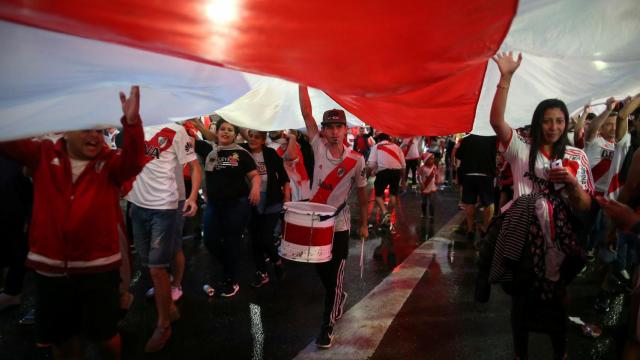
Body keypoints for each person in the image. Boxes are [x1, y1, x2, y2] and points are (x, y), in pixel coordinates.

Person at [0, 86, 145, 359]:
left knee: (105, 337)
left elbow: (135, 161)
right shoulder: (42, 155)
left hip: (99, 268)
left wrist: (132, 123)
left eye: (98, 130)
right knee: (62, 339)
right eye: (84, 128)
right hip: (49, 270)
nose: (93, 135)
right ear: (65, 130)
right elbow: (6, 139)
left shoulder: (111, 162)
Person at [489, 52, 594, 360]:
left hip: (560, 247)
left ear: (566, 123)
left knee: (557, 304)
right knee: (520, 305)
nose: (553, 127)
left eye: (559, 121)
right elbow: (497, 121)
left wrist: (572, 184)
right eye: (547, 121)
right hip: (522, 244)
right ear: (537, 123)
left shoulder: (577, 157)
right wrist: (505, 78)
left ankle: (559, 353)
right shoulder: (521, 150)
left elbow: (586, 206)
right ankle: (520, 354)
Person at [299, 85, 368, 349]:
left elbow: (362, 195)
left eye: (339, 127)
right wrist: (300, 80)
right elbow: (307, 113)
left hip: (339, 226)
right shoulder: (318, 146)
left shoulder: (356, 160)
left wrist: (363, 223)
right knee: (321, 271)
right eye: (330, 127)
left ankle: (327, 326)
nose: (334, 132)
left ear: (346, 130)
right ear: (324, 131)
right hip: (317, 224)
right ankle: (338, 294)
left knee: (334, 276)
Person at [124, 118, 202, 352]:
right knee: (148, 262)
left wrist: (192, 197)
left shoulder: (176, 131)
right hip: (137, 206)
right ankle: (168, 306)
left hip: (166, 207)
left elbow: (195, 166)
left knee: (158, 267)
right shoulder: (132, 130)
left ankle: (163, 324)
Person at [194, 117, 261, 298]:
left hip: (237, 205)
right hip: (214, 205)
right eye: (222, 129)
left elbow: (255, 175)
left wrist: (255, 188)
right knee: (209, 240)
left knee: (232, 241)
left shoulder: (242, 153)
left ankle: (232, 280)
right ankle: (228, 264)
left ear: (235, 135)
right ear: (217, 132)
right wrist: (194, 122)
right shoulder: (208, 150)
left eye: (230, 130)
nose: (225, 132)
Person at [241, 130, 290, 287]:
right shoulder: (242, 152)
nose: (253, 139)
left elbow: (283, 177)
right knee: (254, 239)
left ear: (263, 140)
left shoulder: (270, 153)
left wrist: (287, 197)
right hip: (251, 202)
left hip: (272, 201)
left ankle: (276, 262)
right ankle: (262, 273)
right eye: (251, 136)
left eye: (257, 137)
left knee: (265, 238)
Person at [0, 158, 32, 312]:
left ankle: (13, 292)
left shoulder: (15, 160)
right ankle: (11, 291)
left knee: (18, 252)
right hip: (13, 214)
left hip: (17, 218)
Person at [455, 134, 498, 241]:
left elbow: (458, 155)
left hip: (469, 174)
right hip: (486, 174)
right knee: (488, 202)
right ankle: (486, 228)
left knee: (470, 202)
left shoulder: (466, 139)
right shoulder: (492, 137)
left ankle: (470, 230)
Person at [367, 132, 405, 225]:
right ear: (389, 139)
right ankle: (389, 216)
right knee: (393, 194)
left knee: (378, 195)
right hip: (397, 172)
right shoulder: (397, 147)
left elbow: (371, 164)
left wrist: (366, 176)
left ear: (379, 139)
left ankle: (385, 212)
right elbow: (403, 165)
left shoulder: (377, 147)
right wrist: (403, 180)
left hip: (384, 172)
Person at [417, 152, 438, 219]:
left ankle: (431, 215)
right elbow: (418, 176)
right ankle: (424, 213)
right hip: (424, 187)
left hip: (432, 187)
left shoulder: (434, 167)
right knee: (424, 202)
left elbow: (436, 174)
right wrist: (421, 183)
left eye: (433, 158)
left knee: (432, 202)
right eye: (431, 159)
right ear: (426, 160)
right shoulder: (422, 168)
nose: (433, 160)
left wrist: (437, 180)